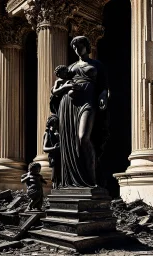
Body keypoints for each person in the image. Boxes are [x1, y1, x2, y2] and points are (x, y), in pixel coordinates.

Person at [51, 35, 110, 188]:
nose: (77, 49)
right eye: (74, 47)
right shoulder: (70, 67)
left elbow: (104, 86)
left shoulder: (96, 64)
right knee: (70, 142)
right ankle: (73, 180)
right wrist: (64, 88)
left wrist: (103, 96)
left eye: (79, 45)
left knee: (83, 137)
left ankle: (91, 179)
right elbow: (55, 90)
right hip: (69, 105)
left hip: (88, 101)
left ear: (87, 46)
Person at [43, 114, 61, 189]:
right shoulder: (47, 134)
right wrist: (54, 148)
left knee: (59, 175)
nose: (56, 127)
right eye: (55, 124)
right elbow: (44, 148)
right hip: (54, 157)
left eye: (57, 125)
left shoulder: (58, 134)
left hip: (60, 156)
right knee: (55, 175)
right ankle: (55, 189)